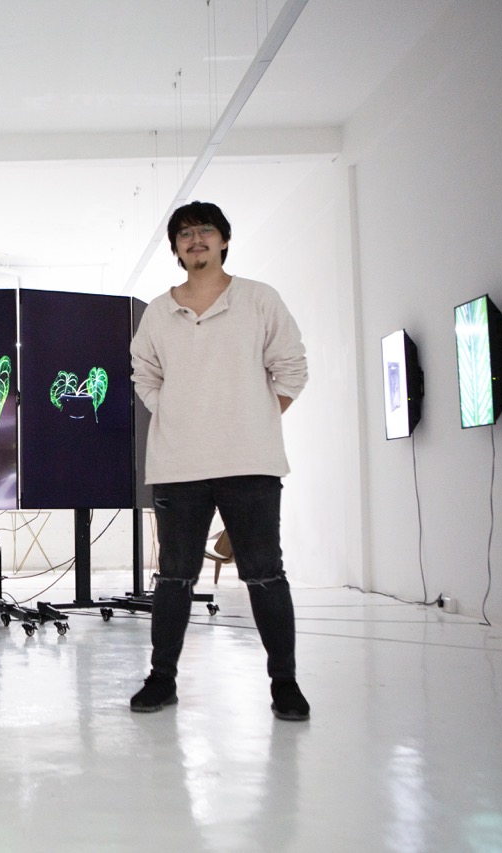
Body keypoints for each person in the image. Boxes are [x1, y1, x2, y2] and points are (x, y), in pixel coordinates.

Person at [128, 201, 310, 721]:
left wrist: (253, 421)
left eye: (205, 230)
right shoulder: (159, 312)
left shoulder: (258, 299)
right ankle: (161, 680)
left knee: (264, 574)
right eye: (184, 234)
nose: (196, 239)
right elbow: (145, 375)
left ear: (224, 239)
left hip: (250, 463)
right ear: (175, 248)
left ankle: (285, 684)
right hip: (178, 465)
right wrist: (180, 416)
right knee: (173, 578)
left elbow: (292, 369)